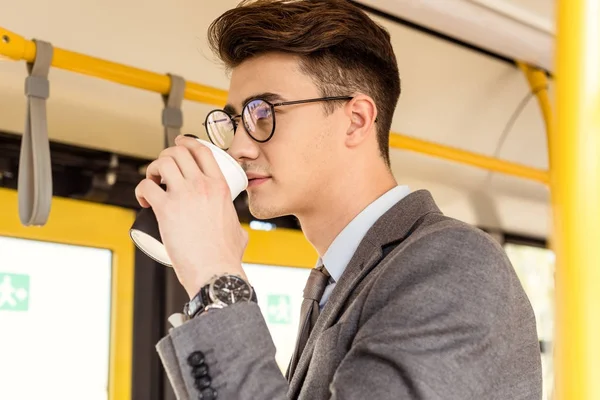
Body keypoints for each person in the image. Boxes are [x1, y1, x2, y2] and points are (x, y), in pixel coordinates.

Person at [134, 0, 543, 399]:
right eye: (235, 121)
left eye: (264, 113)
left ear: (356, 120)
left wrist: (215, 279)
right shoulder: (333, 283)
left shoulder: (455, 263)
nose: (239, 146)